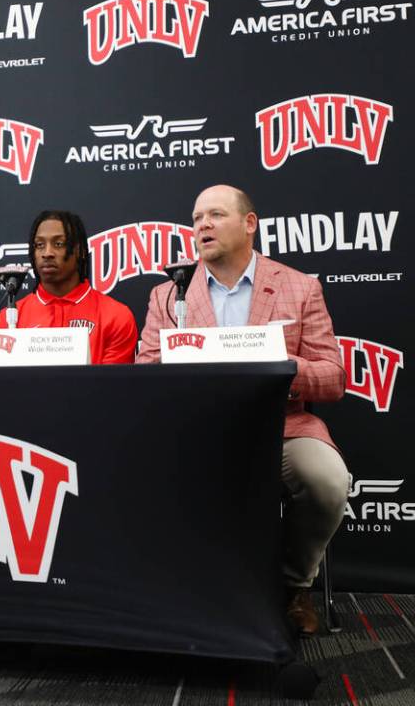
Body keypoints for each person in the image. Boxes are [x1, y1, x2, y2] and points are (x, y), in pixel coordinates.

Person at [136, 184, 348, 636]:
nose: (202, 226)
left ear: (249, 224)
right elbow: (146, 374)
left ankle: (295, 586)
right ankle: (181, 589)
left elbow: (333, 377)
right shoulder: (167, 297)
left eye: (215, 215)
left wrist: (276, 364)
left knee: (328, 481)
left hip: (281, 428)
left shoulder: (299, 286)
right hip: (195, 433)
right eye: (196, 219)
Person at [0, 210, 137, 364]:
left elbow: (112, 386)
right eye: (40, 245)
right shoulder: (8, 319)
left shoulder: (116, 316)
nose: (47, 253)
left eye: (59, 244)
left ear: (80, 251)